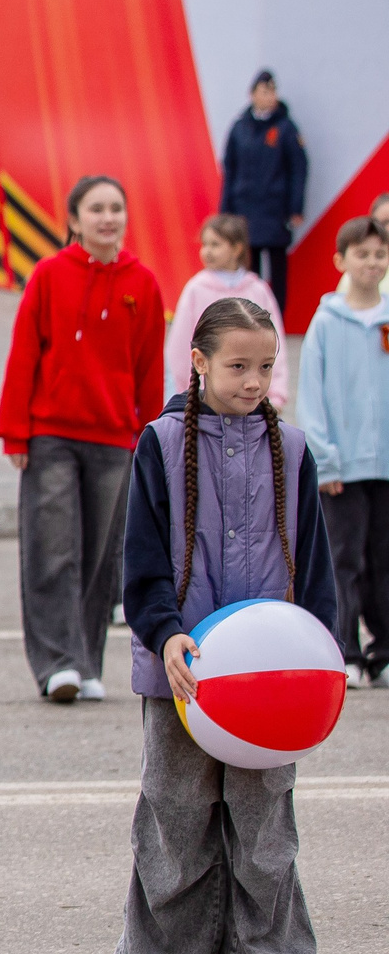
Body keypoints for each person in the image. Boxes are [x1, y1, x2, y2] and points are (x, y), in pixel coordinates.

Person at [118, 297, 330, 954]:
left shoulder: (292, 450)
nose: (254, 381)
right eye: (238, 365)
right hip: (183, 669)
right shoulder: (160, 442)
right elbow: (142, 558)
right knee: (174, 816)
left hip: (274, 678)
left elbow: (317, 566)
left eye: (266, 366)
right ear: (199, 361)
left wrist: (323, 655)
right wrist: (164, 632)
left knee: (267, 825)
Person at [0, 175, 165, 703]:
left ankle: (87, 662)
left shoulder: (143, 283)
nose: (107, 217)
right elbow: (25, 352)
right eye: (96, 208)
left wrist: (152, 440)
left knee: (100, 556)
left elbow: (150, 369)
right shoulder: (49, 275)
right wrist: (15, 432)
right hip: (50, 435)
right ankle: (57, 664)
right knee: (52, 550)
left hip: (115, 439)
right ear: (73, 219)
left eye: (116, 207)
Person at [296, 217, 389, 686]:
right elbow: (311, 396)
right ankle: (345, 650)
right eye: (362, 254)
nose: (371, 263)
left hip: (385, 467)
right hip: (342, 469)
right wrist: (326, 460)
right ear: (340, 261)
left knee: (384, 559)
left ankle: (383, 651)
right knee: (345, 559)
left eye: (380, 254)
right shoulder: (325, 323)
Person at [164, 214, 286, 405]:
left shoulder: (258, 289)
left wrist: (276, 395)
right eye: (205, 244)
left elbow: (276, 343)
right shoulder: (196, 288)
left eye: (215, 244)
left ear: (237, 248)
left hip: (251, 398)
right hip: (205, 401)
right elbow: (179, 346)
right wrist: (181, 394)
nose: (207, 251)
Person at [219, 71, 306, 320]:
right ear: (253, 94)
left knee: (277, 266)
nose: (270, 97)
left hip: (275, 209)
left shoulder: (285, 127)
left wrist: (295, 207)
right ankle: (251, 317)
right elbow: (229, 169)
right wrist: (225, 209)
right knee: (249, 267)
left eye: (273, 91)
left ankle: (276, 318)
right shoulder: (240, 127)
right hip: (245, 208)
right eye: (265, 91)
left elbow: (298, 168)